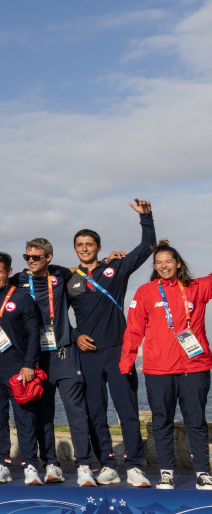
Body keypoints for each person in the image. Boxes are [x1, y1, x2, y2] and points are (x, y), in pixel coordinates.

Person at [68, 199, 155, 488]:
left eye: (89, 244)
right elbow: (52, 316)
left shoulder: (115, 269)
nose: (84, 248)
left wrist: (146, 218)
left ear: (98, 247)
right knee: (95, 411)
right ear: (75, 248)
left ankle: (133, 466)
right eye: (79, 244)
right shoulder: (68, 280)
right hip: (88, 354)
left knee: (127, 409)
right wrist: (74, 336)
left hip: (119, 350)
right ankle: (106, 464)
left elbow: (146, 249)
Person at [120, 241, 212, 491]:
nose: (163, 266)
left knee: (196, 421)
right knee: (162, 422)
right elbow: (134, 329)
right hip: (158, 370)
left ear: (178, 263)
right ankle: (166, 473)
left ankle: (203, 473)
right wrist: (127, 361)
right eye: (158, 262)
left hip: (195, 367)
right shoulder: (146, 292)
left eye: (168, 261)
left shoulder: (197, 288)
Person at [10, 238, 96, 486]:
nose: (30, 261)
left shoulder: (60, 273)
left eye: (36, 257)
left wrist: (109, 259)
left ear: (48, 257)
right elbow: (0, 287)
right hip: (36, 358)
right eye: (27, 257)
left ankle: (84, 466)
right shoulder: (19, 280)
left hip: (64, 354)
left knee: (76, 414)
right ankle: (51, 464)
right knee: (43, 415)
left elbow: (84, 268)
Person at [0, 252, 44, 485]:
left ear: (8, 271)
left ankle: (30, 466)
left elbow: (35, 332)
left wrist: (29, 364)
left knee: (24, 420)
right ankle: (2, 465)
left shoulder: (23, 297)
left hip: (18, 369)